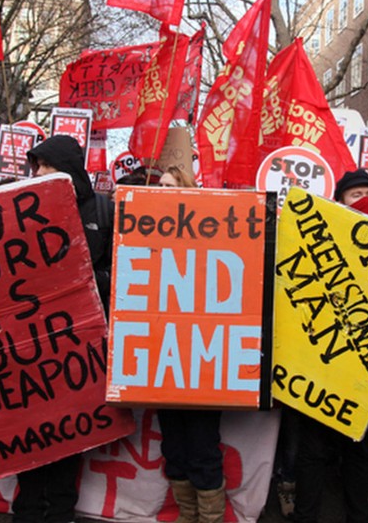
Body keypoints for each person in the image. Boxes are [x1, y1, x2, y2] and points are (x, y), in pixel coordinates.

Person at [10, 136, 114, 523]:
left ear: (66, 169)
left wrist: (85, 280)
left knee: (70, 429)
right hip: (32, 342)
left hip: (80, 341)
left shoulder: (103, 211)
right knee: (30, 425)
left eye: (43, 167)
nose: (35, 174)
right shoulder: (22, 209)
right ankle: (27, 507)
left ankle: (61, 509)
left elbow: (122, 271)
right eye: (33, 167)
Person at [293, 169, 368, 523]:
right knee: (312, 451)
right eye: (354, 193)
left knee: (359, 450)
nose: (363, 199)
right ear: (339, 200)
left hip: (366, 371)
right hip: (323, 364)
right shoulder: (321, 239)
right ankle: (306, 515)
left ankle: (359, 515)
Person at [152, 165, 227, 523]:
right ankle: (187, 516)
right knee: (174, 448)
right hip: (163, 360)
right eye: (160, 185)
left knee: (202, 448)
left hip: (202, 362)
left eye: (172, 185)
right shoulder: (143, 233)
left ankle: (209, 518)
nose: (164, 190)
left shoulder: (212, 234)